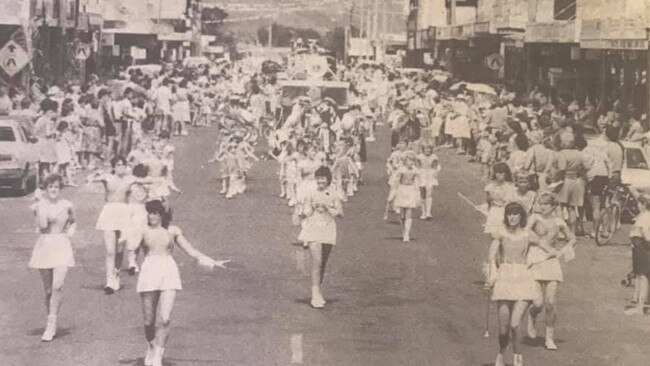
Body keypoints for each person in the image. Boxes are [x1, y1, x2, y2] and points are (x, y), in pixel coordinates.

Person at [137, 200, 229, 366]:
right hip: (149, 272)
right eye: (149, 212)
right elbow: (132, 250)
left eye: (155, 213)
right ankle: (150, 347)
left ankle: (158, 355)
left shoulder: (172, 231)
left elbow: (191, 251)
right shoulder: (143, 230)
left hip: (168, 272)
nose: (151, 216)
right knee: (148, 321)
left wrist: (211, 260)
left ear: (162, 215)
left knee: (164, 318)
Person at [486, 202, 545, 366]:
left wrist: (565, 248)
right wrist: (491, 274)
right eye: (509, 214)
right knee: (503, 328)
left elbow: (546, 247)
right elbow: (492, 255)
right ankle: (501, 353)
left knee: (515, 324)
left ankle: (518, 358)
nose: (512, 217)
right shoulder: (501, 233)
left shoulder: (528, 234)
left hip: (523, 279)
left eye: (515, 214)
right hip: (505, 278)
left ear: (521, 217)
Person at [28, 174, 76, 342]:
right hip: (45, 246)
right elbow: (42, 226)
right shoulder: (39, 206)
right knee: (48, 290)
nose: (53, 189)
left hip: (62, 245)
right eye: (50, 187)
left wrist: (70, 231)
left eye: (56, 186)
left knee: (58, 286)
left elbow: (73, 221)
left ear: (60, 188)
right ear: (46, 189)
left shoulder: (67, 205)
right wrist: (41, 205)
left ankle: (52, 324)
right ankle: (50, 319)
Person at [526, 193, 576, 349]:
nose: (542, 207)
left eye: (546, 204)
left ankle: (549, 337)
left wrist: (560, 252)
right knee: (538, 303)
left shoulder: (559, 222)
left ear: (554, 206)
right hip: (534, 260)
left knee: (550, 302)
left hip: (551, 262)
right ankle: (531, 316)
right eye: (541, 203)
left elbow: (572, 239)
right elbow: (525, 233)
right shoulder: (534, 218)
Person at [87, 157, 136, 294]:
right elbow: (89, 179)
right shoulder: (107, 177)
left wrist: (162, 180)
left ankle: (116, 275)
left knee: (119, 250)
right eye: (118, 165)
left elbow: (147, 180)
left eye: (123, 165)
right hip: (109, 213)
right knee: (110, 251)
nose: (121, 167)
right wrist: (96, 173)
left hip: (123, 213)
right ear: (114, 166)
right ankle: (109, 281)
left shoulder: (130, 179)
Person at [296, 167, 342, 309]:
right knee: (317, 260)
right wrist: (308, 210)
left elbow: (340, 214)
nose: (321, 181)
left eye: (323, 178)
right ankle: (314, 295)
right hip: (313, 227)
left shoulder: (333, 193)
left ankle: (318, 290)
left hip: (328, 229)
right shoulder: (311, 193)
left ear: (328, 179)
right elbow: (304, 212)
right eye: (318, 178)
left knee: (323, 263)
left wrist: (328, 208)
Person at [625, 191, 650, 315]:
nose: (638, 205)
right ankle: (640, 302)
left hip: (641, 246)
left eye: (639, 203)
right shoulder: (643, 215)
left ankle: (640, 307)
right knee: (640, 275)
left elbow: (645, 233)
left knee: (642, 275)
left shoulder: (645, 216)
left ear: (644, 204)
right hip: (638, 246)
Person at [393, 152, 421, 242]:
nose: (411, 163)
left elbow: (416, 182)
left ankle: (407, 234)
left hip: (410, 191)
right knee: (402, 215)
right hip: (402, 190)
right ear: (405, 161)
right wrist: (393, 193)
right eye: (409, 160)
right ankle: (403, 230)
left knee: (409, 213)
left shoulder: (415, 170)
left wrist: (417, 194)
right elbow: (397, 182)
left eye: (413, 161)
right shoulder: (401, 170)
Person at [484, 163, 515, 236]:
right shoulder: (490, 187)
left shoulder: (509, 186)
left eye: (502, 172)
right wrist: (489, 207)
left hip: (505, 211)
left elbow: (509, 200)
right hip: (494, 211)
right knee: (493, 234)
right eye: (497, 172)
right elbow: (488, 201)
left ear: (506, 174)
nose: (499, 175)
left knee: (504, 234)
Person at [417, 144, 440, 220]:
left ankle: (428, 212)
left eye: (429, 149)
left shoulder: (434, 157)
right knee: (422, 194)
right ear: (423, 149)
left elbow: (436, 166)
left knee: (429, 194)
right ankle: (423, 212)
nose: (428, 150)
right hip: (422, 175)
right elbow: (417, 166)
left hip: (430, 175)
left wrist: (436, 172)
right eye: (426, 149)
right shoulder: (420, 157)